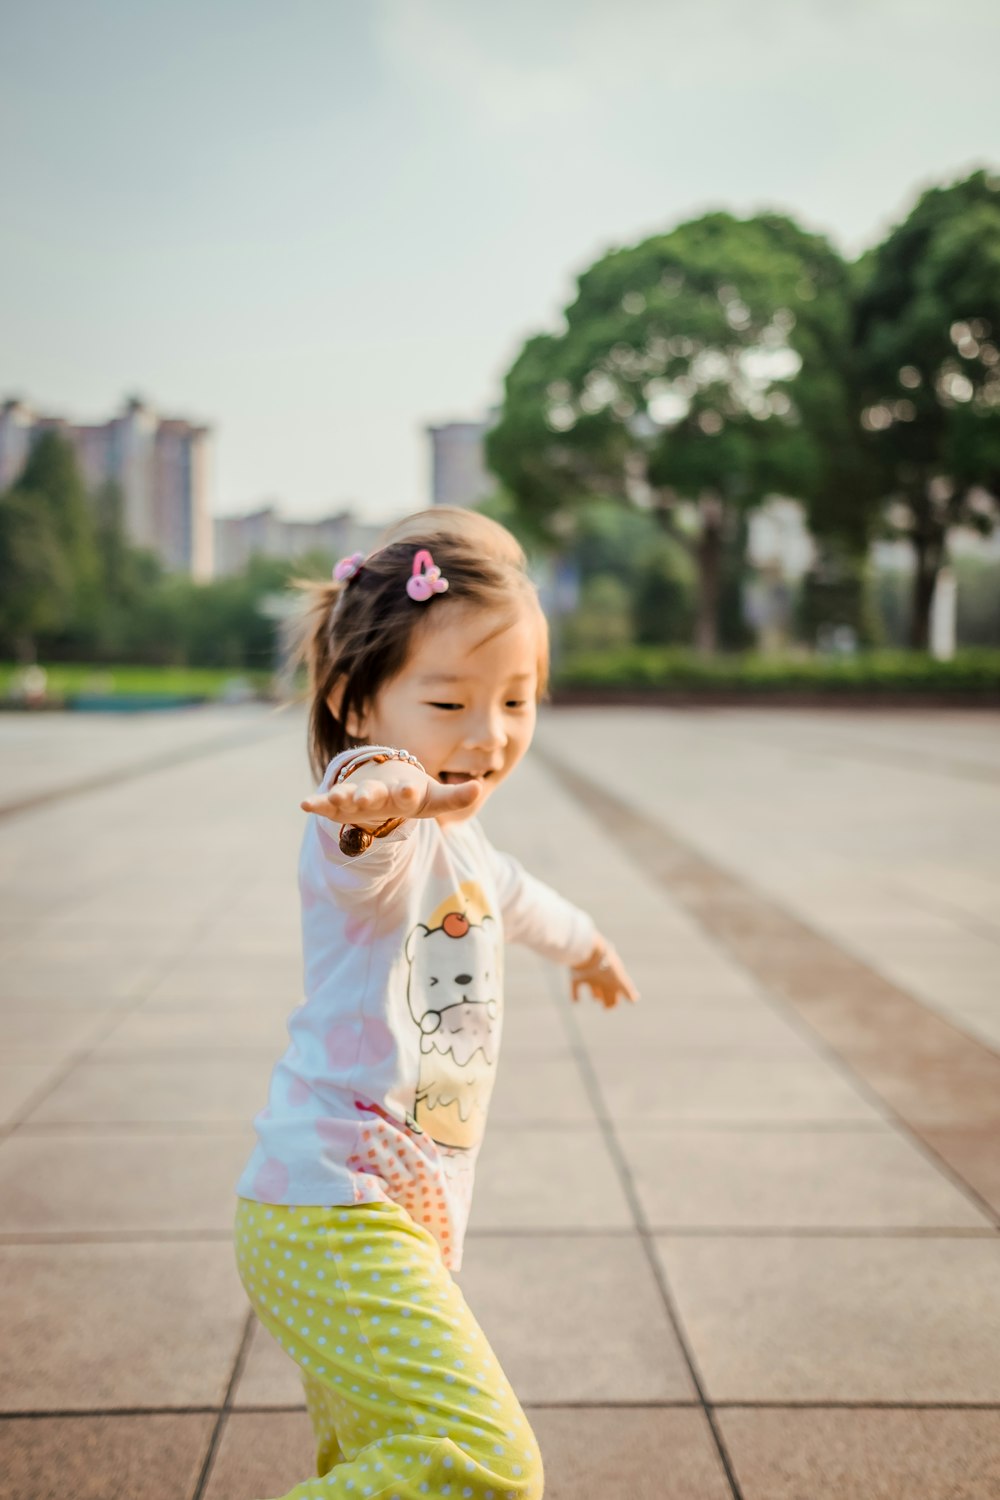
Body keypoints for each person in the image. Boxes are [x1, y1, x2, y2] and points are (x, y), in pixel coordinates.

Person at [233, 507, 638, 1499]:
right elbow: (364, 820)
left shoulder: (468, 852)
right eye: (450, 702)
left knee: (374, 1462)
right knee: (483, 1461)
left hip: (391, 1210)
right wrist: (376, 796)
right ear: (355, 701)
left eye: (517, 701)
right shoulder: (379, 838)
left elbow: (529, 905)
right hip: (332, 1210)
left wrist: (589, 949)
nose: (491, 736)